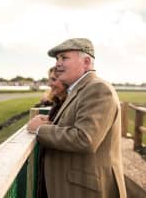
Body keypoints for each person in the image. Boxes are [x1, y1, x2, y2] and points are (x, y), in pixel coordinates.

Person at [27, 38, 127, 198]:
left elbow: (85, 138)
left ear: (86, 62)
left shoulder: (98, 88)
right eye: (57, 59)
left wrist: (39, 129)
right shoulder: (78, 90)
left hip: (84, 190)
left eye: (64, 58)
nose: (58, 64)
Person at [37, 66, 68, 198]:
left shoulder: (65, 102)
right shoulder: (58, 102)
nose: (50, 84)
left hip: (58, 174)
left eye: (54, 79)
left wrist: (39, 128)